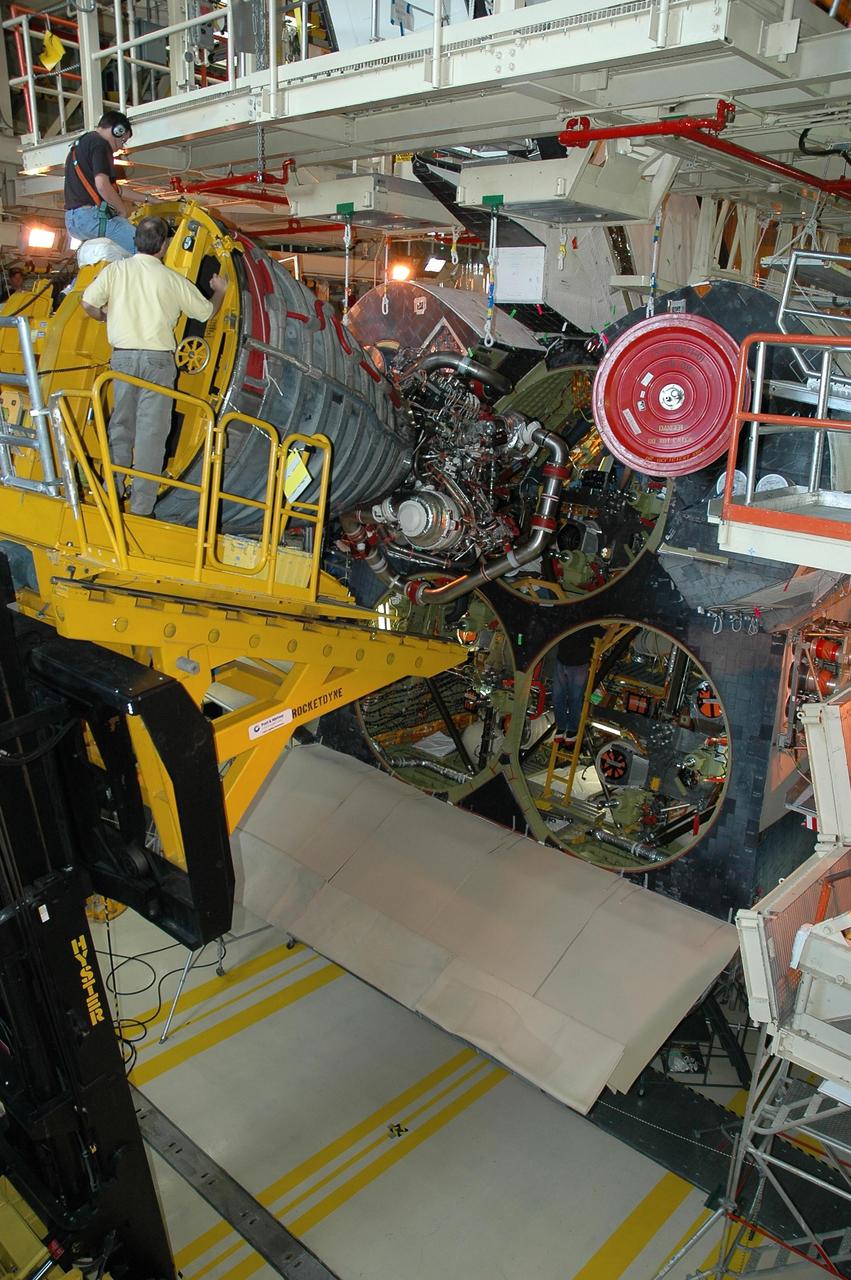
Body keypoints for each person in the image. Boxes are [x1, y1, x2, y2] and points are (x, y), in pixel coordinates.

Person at [81, 215, 228, 516]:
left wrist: (105, 315)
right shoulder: (172, 280)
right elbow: (205, 313)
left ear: (135, 242)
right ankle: (141, 508)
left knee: (120, 427)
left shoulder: (116, 272)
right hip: (157, 363)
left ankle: (111, 494)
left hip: (121, 358)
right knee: (151, 433)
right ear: (163, 246)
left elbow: (87, 304)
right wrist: (221, 289)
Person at [64, 110, 145, 255]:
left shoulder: (81, 144)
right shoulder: (101, 144)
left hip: (73, 222)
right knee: (146, 250)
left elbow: (115, 189)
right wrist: (122, 210)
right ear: (117, 130)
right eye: (123, 140)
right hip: (91, 218)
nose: (121, 146)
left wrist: (149, 199)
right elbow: (102, 185)